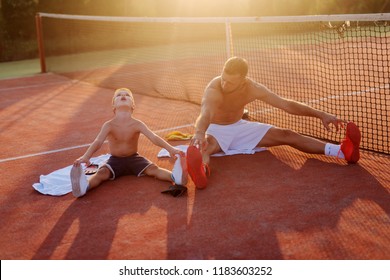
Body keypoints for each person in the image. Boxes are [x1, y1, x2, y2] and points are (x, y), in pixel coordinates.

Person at [187, 56, 361, 188]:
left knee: (287, 134)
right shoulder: (214, 88)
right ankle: (202, 171)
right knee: (205, 146)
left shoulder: (253, 88)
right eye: (223, 78)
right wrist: (199, 133)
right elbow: (206, 113)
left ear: (243, 80)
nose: (224, 84)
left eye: (230, 82)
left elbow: (286, 105)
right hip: (215, 129)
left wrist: (321, 114)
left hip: (240, 127)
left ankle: (341, 151)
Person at [70, 88, 187, 198]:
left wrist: (171, 149)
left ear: (133, 106)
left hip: (134, 158)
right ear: (113, 106)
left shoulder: (138, 124)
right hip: (115, 160)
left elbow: (154, 137)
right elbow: (98, 142)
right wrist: (86, 156)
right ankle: (84, 187)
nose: (123, 96)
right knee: (102, 173)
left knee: (153, 169)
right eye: (119, 95)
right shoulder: (108, 125)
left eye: (127, 95)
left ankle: (175, 177)